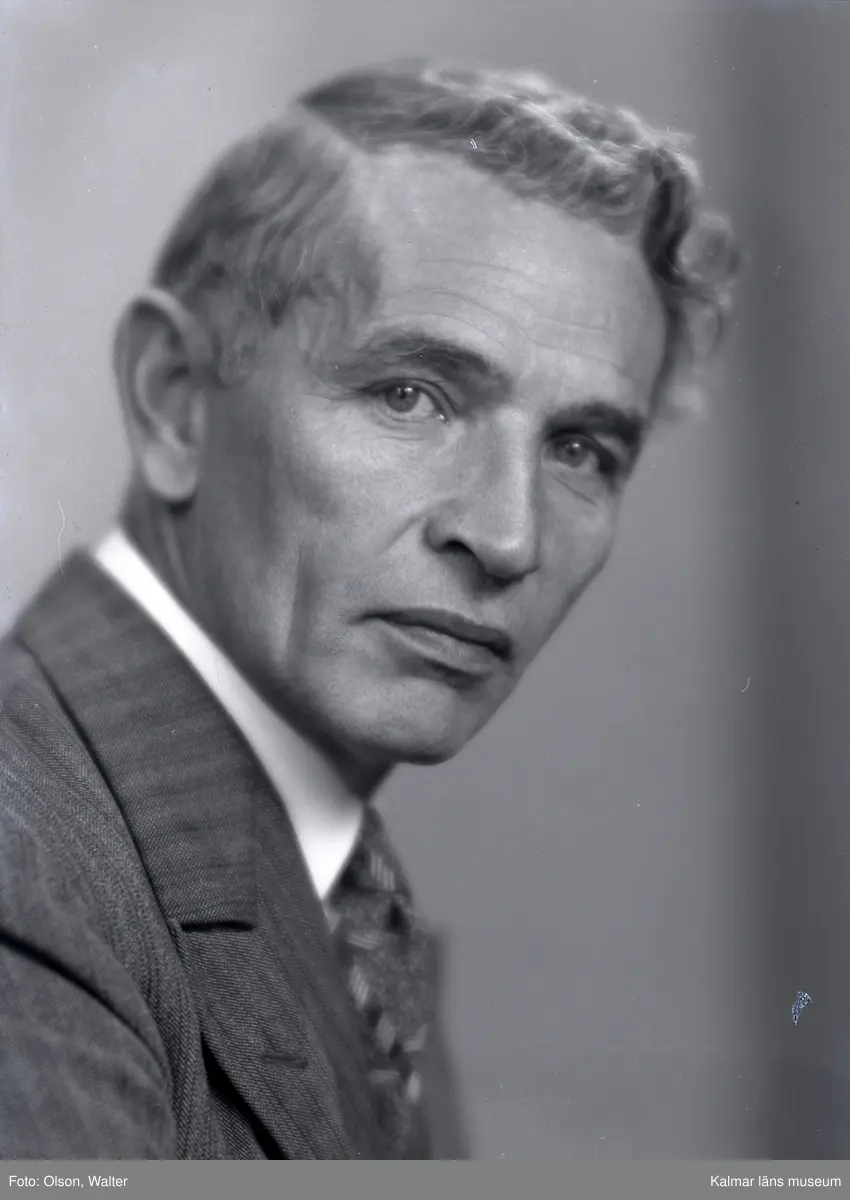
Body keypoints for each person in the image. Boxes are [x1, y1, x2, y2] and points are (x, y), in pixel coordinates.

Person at [0, 59, 739, 1159]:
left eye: (581, 450)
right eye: (411, 396)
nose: (507, 537)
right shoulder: (29, 869)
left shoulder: (339, 890)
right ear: (173, 401)